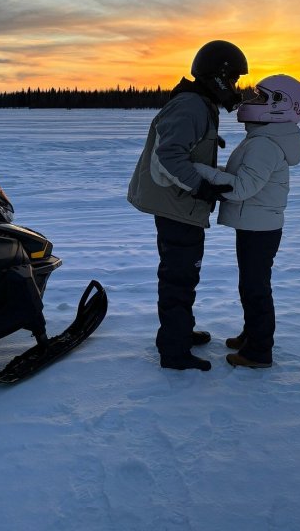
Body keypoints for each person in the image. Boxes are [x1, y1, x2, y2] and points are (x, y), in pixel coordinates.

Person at [127, 40, 248, 371]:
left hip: (178, 205)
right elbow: (168, 155)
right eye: (234, 79)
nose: (235, 87)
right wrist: (201, 188)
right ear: (218, 77)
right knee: (179, 277)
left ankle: (176, 333)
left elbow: (183, 149)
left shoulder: (198, 104)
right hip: (177, 207)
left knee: (181, 276)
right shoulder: (191, 106)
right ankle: (174, 351)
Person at [194, 74, 300, 368]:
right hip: (258, 226)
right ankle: (251, 335)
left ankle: (259, 351)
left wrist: (200, 171)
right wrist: (212, 170)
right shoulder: (264, 138)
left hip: (260, 229)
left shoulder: (265, 144)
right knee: (251, 286)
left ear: (280, 105)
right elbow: (244, 179)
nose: (252, 101)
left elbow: (242, 188)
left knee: (256, 289)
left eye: (261, 98)